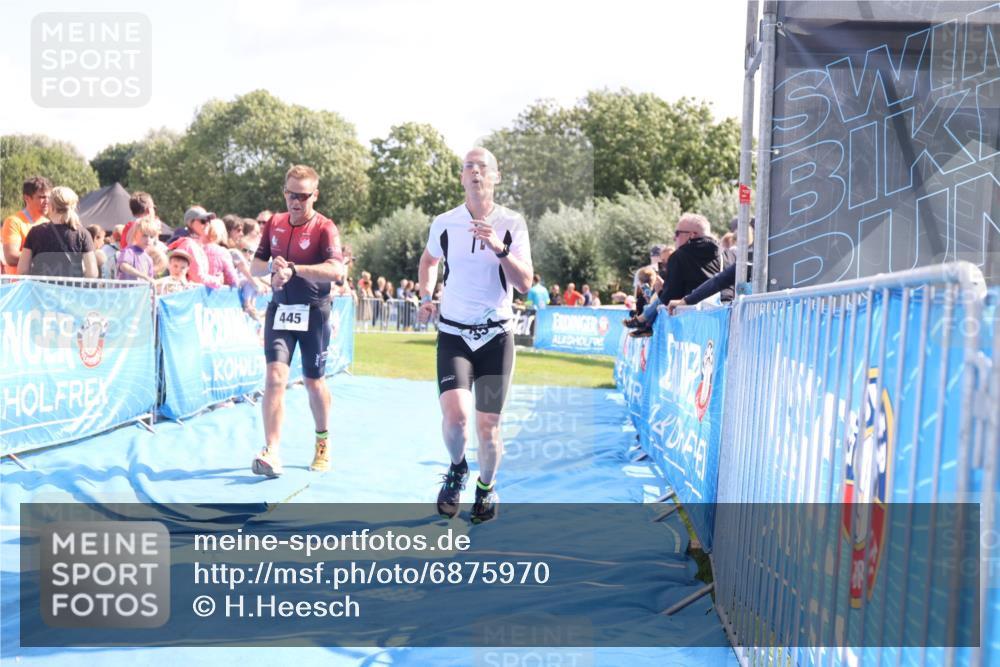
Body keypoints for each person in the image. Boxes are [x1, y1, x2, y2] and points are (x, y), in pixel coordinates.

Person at [417, 147, 532, 523]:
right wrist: (425, 295)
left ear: (496, 177)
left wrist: (499, 248)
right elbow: (429, 260)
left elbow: (525, 284)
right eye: (469, 167)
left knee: (488, 425)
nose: (476, 173)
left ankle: (485, 488)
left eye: (483, 168)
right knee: (456, 419)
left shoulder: (512, 223)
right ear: (462, 177)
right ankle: (456, 469)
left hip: (496, 338)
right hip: (453, 333)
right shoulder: (444, 222)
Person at [250, 165, 344, 478]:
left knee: (314, 381)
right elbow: (255, 266)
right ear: (285, 192)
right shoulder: (274, 223)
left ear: (314, 196)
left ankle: (322, 441)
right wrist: (272, 270)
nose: (297, 201)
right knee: (275, 376)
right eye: (292, 194)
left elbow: (336, 271)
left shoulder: (324, 227)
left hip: (315, 312)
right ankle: (272, 450)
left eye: (304, 196)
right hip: (280, 310)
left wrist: (295, 269)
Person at [626, 213, 721, 336]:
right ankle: (643, 321)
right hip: (719, 318)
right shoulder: (723, 255)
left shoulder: (679, 256)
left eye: (677, 233)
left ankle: (643, 321)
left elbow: (670, 297)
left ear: (691, 235)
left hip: (689, 322)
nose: (673, 238)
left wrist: (660, 290)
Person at [18, 186, 97, 278]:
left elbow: (22, 270)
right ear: (73, 206)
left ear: (51, 206)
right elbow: (92, 272)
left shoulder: (35, 232)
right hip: (71, 291)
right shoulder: (82, 234)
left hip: (41, 290)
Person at [3, 177, 51, 274]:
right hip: (20, 286)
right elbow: (11, 258)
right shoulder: (14, 222)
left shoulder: (49, 223)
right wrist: (44, 257)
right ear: (26, 198)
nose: (47, 201)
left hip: (42, 285)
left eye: (49, 197)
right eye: (42, 197)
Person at [115, 215, 159, 282]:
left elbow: (150, 279)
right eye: (144, 235)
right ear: (135, 235)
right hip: (125, 291)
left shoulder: (149, 259)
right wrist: (142, 276)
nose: (148, 239)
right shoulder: (129, 251)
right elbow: (123, 266)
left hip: (141, 292)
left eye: (151, 237)